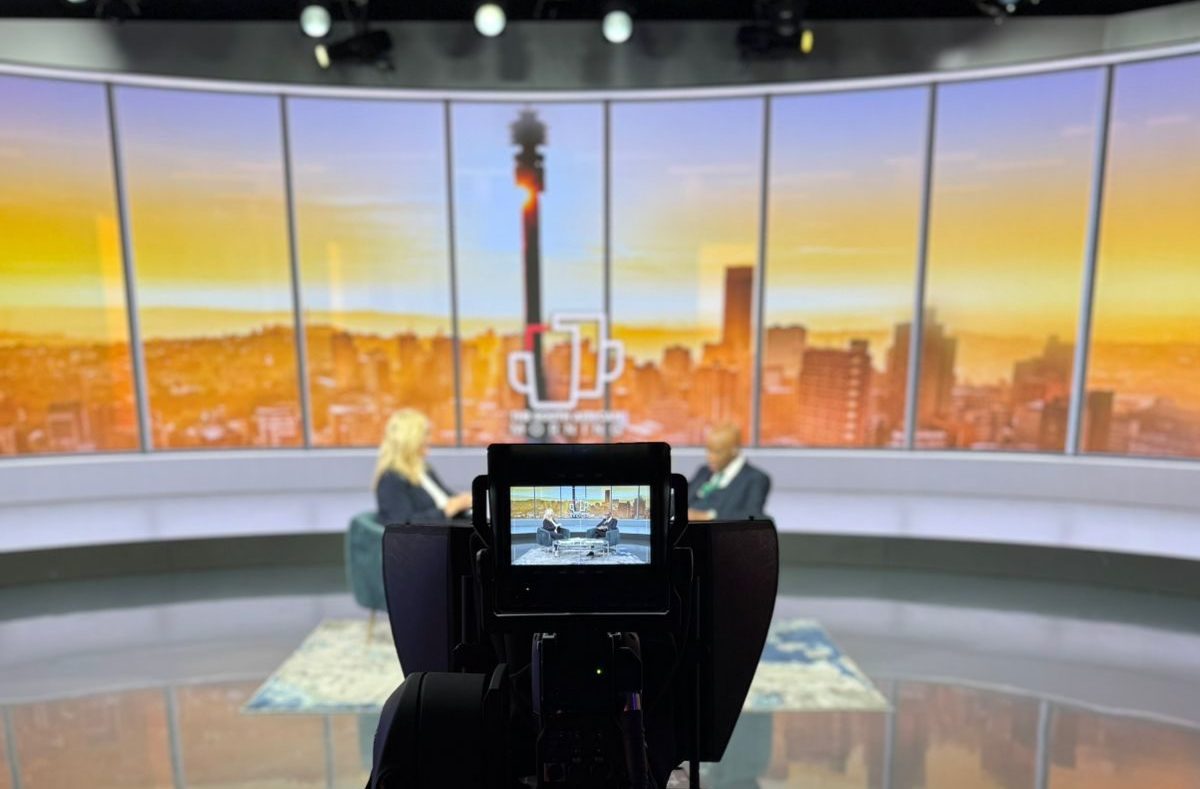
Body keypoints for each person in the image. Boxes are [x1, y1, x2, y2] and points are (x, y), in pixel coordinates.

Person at [374, 409, 473, 524]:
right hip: (435, 533)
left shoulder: (424, 469)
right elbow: (401, 523)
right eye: (425, 434)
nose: (429, 439)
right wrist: (447, 510)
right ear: (411, 440)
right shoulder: (391, 478)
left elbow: (447, 497)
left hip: (453, 525)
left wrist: (463, 501)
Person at [687, 423, 771, 521]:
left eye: (717, 452)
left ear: (734, 450)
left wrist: (708, 516)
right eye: (708, 450)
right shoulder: (703, 472)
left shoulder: (755, 479)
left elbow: (753, 515)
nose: (710, 457)